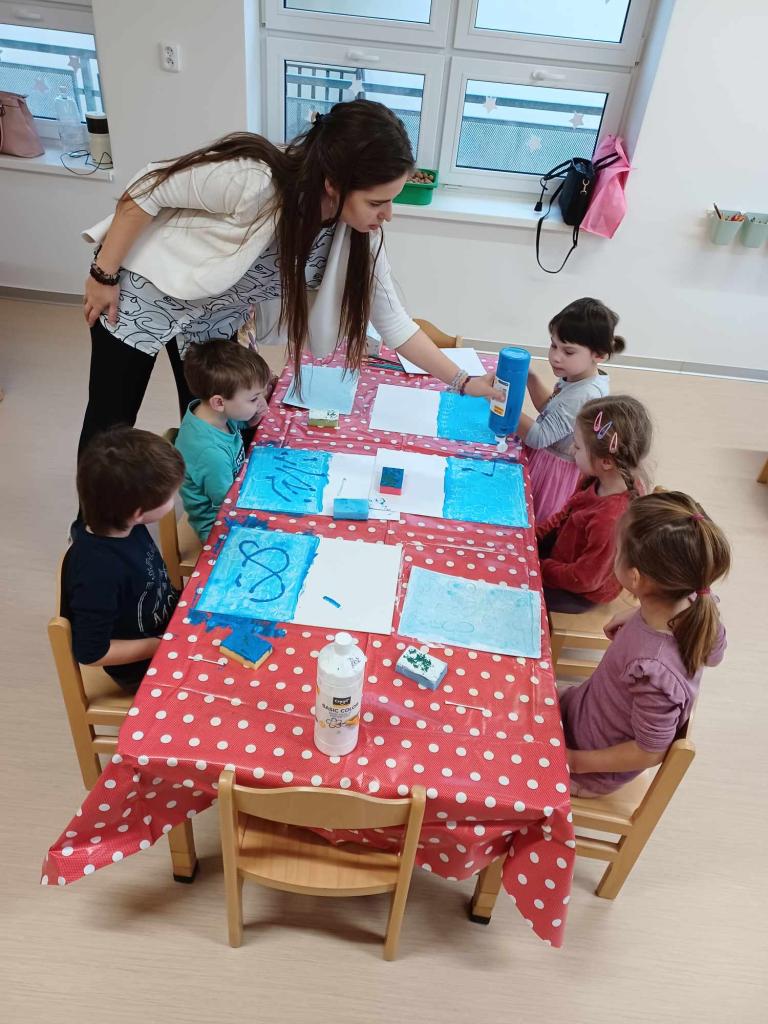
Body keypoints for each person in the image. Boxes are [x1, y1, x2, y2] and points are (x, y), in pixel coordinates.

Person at [78, 99, 499, 459]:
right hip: (143, 293)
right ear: (334, 184)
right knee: (111, 422)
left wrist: (464, 382)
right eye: (377, 202)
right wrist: (103, 274)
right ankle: (91, 524)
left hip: (214, 317)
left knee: (215, 420)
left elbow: (396, 325)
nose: (388, 214)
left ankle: (202, 503)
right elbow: (148, 186)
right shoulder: (254, 180)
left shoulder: (358, 237)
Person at [559, 491, 730, 797]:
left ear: (636, 579)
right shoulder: (692, 599)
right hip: (584, 710)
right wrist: (636, 616)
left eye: (617, 550)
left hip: (588, 764)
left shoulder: (653, 671)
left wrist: (574, 761)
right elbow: (714, 655)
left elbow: (650, 751)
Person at [63, 428, 185, 694]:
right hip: (143, 666)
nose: (174, 500)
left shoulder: (122, 524)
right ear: (138, 512)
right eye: (170, 496)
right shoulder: (98, 572)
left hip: (171, 625)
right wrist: (161, 644)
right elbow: (91, 652)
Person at [537, 395, 652, 614]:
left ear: (606, 461)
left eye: (577, 447)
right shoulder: (596, 477)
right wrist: (535, 536)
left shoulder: (609, 519)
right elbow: (563, 515)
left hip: (579, 591)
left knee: (519, 592)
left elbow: (584, 579)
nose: (571, 451)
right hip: (564, 559)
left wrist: (540, 567)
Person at [515, 297, 625, 522]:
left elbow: (539, 437)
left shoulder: (585, 394)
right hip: (548, 460)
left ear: (599, 355)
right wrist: (530, 378)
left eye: (568, 352)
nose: (556, 357)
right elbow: (552, 411)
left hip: (553, 472)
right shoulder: (577, 376)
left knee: (532, 522)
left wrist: (503, 407)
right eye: (553, 345)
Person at [175, 339, 271, 541]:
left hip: (234, 494)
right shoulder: (211, 454)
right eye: (253, 398)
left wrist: (254, 415)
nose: (259, 401)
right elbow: (228, 504)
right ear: (219, 402)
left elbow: (240, 423)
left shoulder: (209, 413)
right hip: (217, 525)